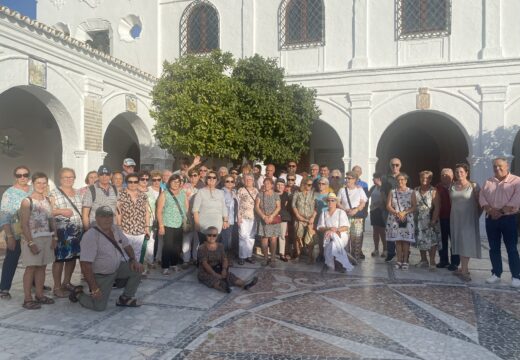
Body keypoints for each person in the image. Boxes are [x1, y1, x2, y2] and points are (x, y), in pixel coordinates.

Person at [69, 206, 143, 311]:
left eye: (109, 216)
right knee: (99, 307)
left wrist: (133, 260)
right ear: (96, 218)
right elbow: (85, 265)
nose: (107, 219)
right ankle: (78, 294)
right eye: (103, 216)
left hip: (117, 268)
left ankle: (125, 298)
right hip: (101, 275)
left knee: (138, 269)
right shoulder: (91, 235)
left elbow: (127, 245)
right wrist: (94, 288)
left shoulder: (115, 229)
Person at [479, 157, 520, 287]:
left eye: (500, 166)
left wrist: (500, 212)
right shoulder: (488, 182)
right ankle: (496, 273)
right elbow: (482, 197)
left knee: (512, 248)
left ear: (507, 166)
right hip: (491, 219)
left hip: (509, 218)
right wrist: (490, 210)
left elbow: (516, 199)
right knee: (493, 248)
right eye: (495, 166)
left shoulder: (516, 181)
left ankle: (516, 276)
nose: (497, 168)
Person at [19, 172, 57, 309]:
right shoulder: (27, 201)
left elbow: (51, 219)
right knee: (31, 268)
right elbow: (24, 224)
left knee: (42, 267)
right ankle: (27, 299)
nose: (41, 185)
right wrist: (30, 243)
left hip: (47, 237)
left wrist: (55, 236)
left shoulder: (47, 200)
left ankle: (40, 295)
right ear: (33, 184)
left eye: (44, 183)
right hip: (32, 239)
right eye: (38, 183)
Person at [49, 168, 83, 298]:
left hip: (77, 232)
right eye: (65, 177)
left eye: (71, 177)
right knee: (59, 260)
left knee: (72, 258)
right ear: (60, 178)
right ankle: (57, 287)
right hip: (62, 233)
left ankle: (66, 282)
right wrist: (61, 211)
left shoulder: (78, 193)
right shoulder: (54, 193)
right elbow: (48, 212)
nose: (69, 179)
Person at [0, 166, 32, 300]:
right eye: (19, 175)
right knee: (11, 259)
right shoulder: (9, 193)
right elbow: (4, 215)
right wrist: (9, 236)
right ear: (15, 177)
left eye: (25, 175)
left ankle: (34, 283)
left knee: (33, 259)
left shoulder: (33, 189)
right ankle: (4, 288)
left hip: (32, 232)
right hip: (16, 233)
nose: (22, 177)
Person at [197, 227, 258, 293]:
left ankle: (244, 284)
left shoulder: (220, 246)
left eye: (214, 235)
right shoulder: (202, 248)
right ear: (206, 236)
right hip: (206, 271)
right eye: (209, 235)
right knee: (213, 279)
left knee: (229, 276)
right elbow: (205, 264)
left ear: (217, 236)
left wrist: (224, 269)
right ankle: (223, 287)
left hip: (218, 267)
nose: (212, 237)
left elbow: (224, 259)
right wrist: (214, 274)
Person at [450, 163, 481, 282]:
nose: (459, 174)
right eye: (457, 172)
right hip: (456, 218)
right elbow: (452, 201)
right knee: (458, 241)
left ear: (467, 173)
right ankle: (462, 268)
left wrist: (476, 216)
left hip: (469, 219)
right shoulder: (452, 186)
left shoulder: (473, 186)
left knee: (466, 242)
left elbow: (480, 203)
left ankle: (464, 270)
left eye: (461, 172)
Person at [156, 174, 189, 274]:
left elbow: (186, 207)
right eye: (173, 181)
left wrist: (184, 219)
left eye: (178, 182)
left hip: (179, 224)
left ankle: (174, 264)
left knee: (177, 246)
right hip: (167, 224)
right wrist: (161, 225)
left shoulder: (183, 193)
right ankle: (165, 267)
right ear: (169, 182)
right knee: (168, 246)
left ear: (180, 184)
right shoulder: (164, 194)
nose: (175, 184)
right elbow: (159, 210)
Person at [117, 173, 150, 266]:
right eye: (130, 182)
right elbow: (118, 212)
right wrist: (119, 226)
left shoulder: (143, 195)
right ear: (126, 182)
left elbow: (147, 212)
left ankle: (135, 273)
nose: (133, 184)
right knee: (125, 252)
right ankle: (124, 273)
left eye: (135, 182)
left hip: (140, 228)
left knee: (137, 253)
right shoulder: (121, 194)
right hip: (125, 229)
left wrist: (147, 227)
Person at [386, 172, 416, 270]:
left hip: (407, 218)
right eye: (398, 180)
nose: (400, 181)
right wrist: (397, 213)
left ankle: (405, 261)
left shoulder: (411, 192)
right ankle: (399, 260)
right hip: (395, 218)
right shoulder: (392, 192)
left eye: (402, 179)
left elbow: (414, 206)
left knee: (406, 241)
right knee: (398, 240)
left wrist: (404, 213)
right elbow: (388, 205)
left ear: (406, 181)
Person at [317, 193, 353, 273]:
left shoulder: (341, 212)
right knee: (331, 244)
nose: (330, 202)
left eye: (332, 200)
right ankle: (338, 262)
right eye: (329, 201)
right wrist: (329, 229)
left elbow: (346, 227)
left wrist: (335, 230)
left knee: (333, 245)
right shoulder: (324, 213)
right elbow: (320, 227)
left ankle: (339, 265)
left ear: (336, 202)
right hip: (328, 236)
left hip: (341, 235)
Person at [338, 171, 367, 261]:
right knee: (345, 238)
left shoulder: (359, 189)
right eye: (346, 178)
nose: (347, 180)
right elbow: (338, 202)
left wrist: (356, 210)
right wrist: (345, 209)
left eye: (349, 178)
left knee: (356, 238)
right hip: (345, 216)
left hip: (357, 217)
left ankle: (355, 258)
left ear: (355, 180)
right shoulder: (342, 190)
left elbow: (363, 203)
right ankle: (346, 257)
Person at [414, 171, 441, 271]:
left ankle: (432, 261)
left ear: (430, 179)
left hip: (430, 218)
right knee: (420, 239)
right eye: (422, 177)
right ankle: (423, 260)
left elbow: (437, 207)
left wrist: (433, 220)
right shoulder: (416, 190)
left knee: (432, 241)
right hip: (418, 219)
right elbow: (413, 205)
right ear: (420, 178)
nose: (424, 180)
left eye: (427, 178)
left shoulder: (433, 191)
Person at [193, 170, 228, 244]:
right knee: (204, 247)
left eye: (214, 177)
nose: (211, 179)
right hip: (204, 224)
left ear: (217, 180)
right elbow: (195, 209)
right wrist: (197, 224)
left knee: (216, 247)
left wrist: (225, 220)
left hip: (217, 224)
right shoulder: (200, 192)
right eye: (209, 177)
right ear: (206, 179)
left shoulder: (221, 192)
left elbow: (224, 207)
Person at [435, 168, 459, 270]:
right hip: (441, 218)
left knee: (454, 241)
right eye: (442, 175)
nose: (444, 177)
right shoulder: (437, 187)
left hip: (454, 218)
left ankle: (455, 263)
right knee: (442, 240)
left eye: (447, 175)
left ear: (452, 176)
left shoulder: (457, 186)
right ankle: (443, 260)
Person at [82, 165, 118, 231]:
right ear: (98, 176)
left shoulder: (115, 189)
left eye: (107, 174)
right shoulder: (91, 190)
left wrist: (118, 228)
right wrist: (87, 232)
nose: (104, 177)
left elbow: (117, 211)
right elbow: (85, 215)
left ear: (111, 175)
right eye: (101, 174)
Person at [255, 177, 282, 267]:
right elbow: (257, 207)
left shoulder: (276, 195)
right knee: (264, 239)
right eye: (265, 183)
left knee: (273, 239)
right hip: (263, 219)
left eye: (268, 183)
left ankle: (273, 258)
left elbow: (278, 207)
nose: (266, 185)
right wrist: (263, 217)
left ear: (272, 185)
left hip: (273, 219)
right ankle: (265, 258)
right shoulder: (260, 194)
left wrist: (271, 216)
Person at [381, 158, 402, 262]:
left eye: (397, 165)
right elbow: (383, 192)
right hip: (388, 209)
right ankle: (390, 252)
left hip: (402, 209)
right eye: (393, 165)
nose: (395, 167)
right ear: (390, 165)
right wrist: (388, 205)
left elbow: (409, 192)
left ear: (400, 166)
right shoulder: (385, 178)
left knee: (401, 230)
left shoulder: (404, 177)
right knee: (389, 231)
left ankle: (402, 252)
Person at [292, 178, 316, 261]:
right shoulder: (297, 193)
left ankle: (310, 257)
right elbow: (293, 205)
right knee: (298, 237)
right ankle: (298, 254)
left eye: (311, 185)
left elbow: (316, 207)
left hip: (310, 219)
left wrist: (313, 217)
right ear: (304, 184)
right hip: (299, 219)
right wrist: (298, 215)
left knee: (310, 237)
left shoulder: (313, 193)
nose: (310, 186)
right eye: (309, 184)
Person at [237, 174, 258, 265]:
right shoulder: (240, 190)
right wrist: (238, 217)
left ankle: (249, 256)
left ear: (253, 180)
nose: (248, 181)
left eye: (250, 179)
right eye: (246, 179)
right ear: (244, 181)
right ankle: (242, 256)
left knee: (251, 237)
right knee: (242, 236)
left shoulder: (257, 191)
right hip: (243, 216)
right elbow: (237, 204)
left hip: (254, 217)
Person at [182, 170, 201, 264]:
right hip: (187, 217)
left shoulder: (200, 189)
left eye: (195, 175)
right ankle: (186, 260)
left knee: (197, 239)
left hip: (198, 217)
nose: (193, 177)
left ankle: (195, 258)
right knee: (187, 239)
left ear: (198, 177)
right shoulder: (185, 187)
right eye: (191, 175)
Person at [145, 170, 162, 270]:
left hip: (160, 219)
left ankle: (158, 258)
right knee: (151, 240)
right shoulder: (147, 190)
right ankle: (149, 261)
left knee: (161, 240)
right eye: (154, 180)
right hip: (151, 218)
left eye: (158, 180)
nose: (156, 182)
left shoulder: (163, 190)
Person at [368, 173, 387, 258]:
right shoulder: (373, 187)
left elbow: (386, 200)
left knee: (382, 232)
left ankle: (385, 250)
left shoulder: (384, 188)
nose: (372, 180)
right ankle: (376, 249)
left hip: (381, 211)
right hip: (373, 211)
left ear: (379, 178)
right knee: (375, 231)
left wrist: (379, 204)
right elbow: (367, 196)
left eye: (374, 178)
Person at [314, 177, 331, 262]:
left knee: (327, 237)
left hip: (327, 219)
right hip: (317, 218)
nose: (321, 185)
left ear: (327, 185)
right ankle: (321, 254)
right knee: (320, 238)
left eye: (323, 184)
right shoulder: (314, 194)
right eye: (319, 183)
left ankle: (327, 254)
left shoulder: (330, 195)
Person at [275, 179, 292, 262]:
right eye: (278, 184)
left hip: (283, 217)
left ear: (284, 186)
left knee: (282, 236)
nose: (280, 186)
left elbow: (287, 206)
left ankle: (282, 253)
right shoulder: (273, 194)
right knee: (273, 236)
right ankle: (273, 253)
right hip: (273, 217)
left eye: (281, 185)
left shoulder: (287, 195)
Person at [221, 175, 237, 255]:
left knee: (229, 240)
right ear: (224, 183)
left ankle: (226, 258)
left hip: (233, 220)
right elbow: (222, 207)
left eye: (232, 181)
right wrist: (225, 220)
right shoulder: (222, 192)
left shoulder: (234, 192)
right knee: (225, 240)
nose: (230, 183)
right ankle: (223, 259)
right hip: (226, 220)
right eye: (227, 181)